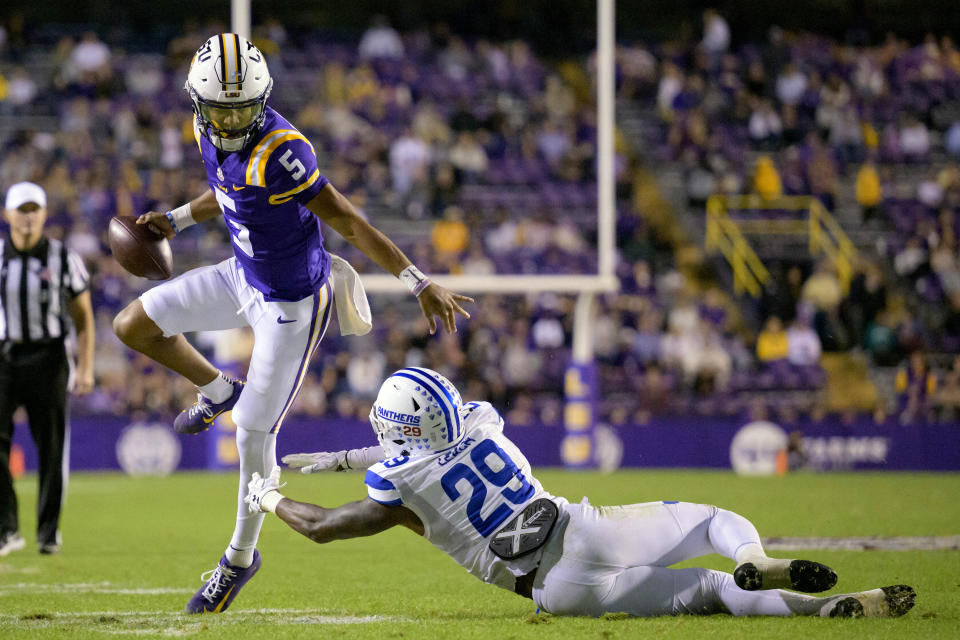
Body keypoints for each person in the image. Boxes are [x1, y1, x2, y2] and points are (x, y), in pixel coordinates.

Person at [111, 35, 472, 613]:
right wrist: (177, 219)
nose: (231, 119)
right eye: (220, 108)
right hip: (242, 274)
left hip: (292, 301)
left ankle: (237, 558)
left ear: (263, 99)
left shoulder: (284, 151)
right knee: (132, 324)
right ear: (199, 104)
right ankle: (216, 388)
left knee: (253, 433)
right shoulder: (208, 129)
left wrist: (418, 281)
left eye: (242, 107)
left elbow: (349, 222)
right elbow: (227, 191)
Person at [246, 367, 916, 620]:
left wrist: (266, 497)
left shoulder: (398, 484)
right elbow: (432, 442)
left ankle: (819, 614)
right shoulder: (481, 421)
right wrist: (344, 458)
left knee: (709, 594)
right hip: (583, 528)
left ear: (395, 431)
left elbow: (324, 526)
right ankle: (776, 570)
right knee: (716, 522)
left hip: (555, 592)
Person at [0, 182, 95, 556]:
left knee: (52, 448)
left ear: (43, 214)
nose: (27, 217)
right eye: (20, 210)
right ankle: (7, 529)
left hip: (50, 357)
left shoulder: (61, 257)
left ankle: (48, 532)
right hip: (4, 357)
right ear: (7, 215)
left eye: (33, 209)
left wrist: (85, 367)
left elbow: (84, 317)